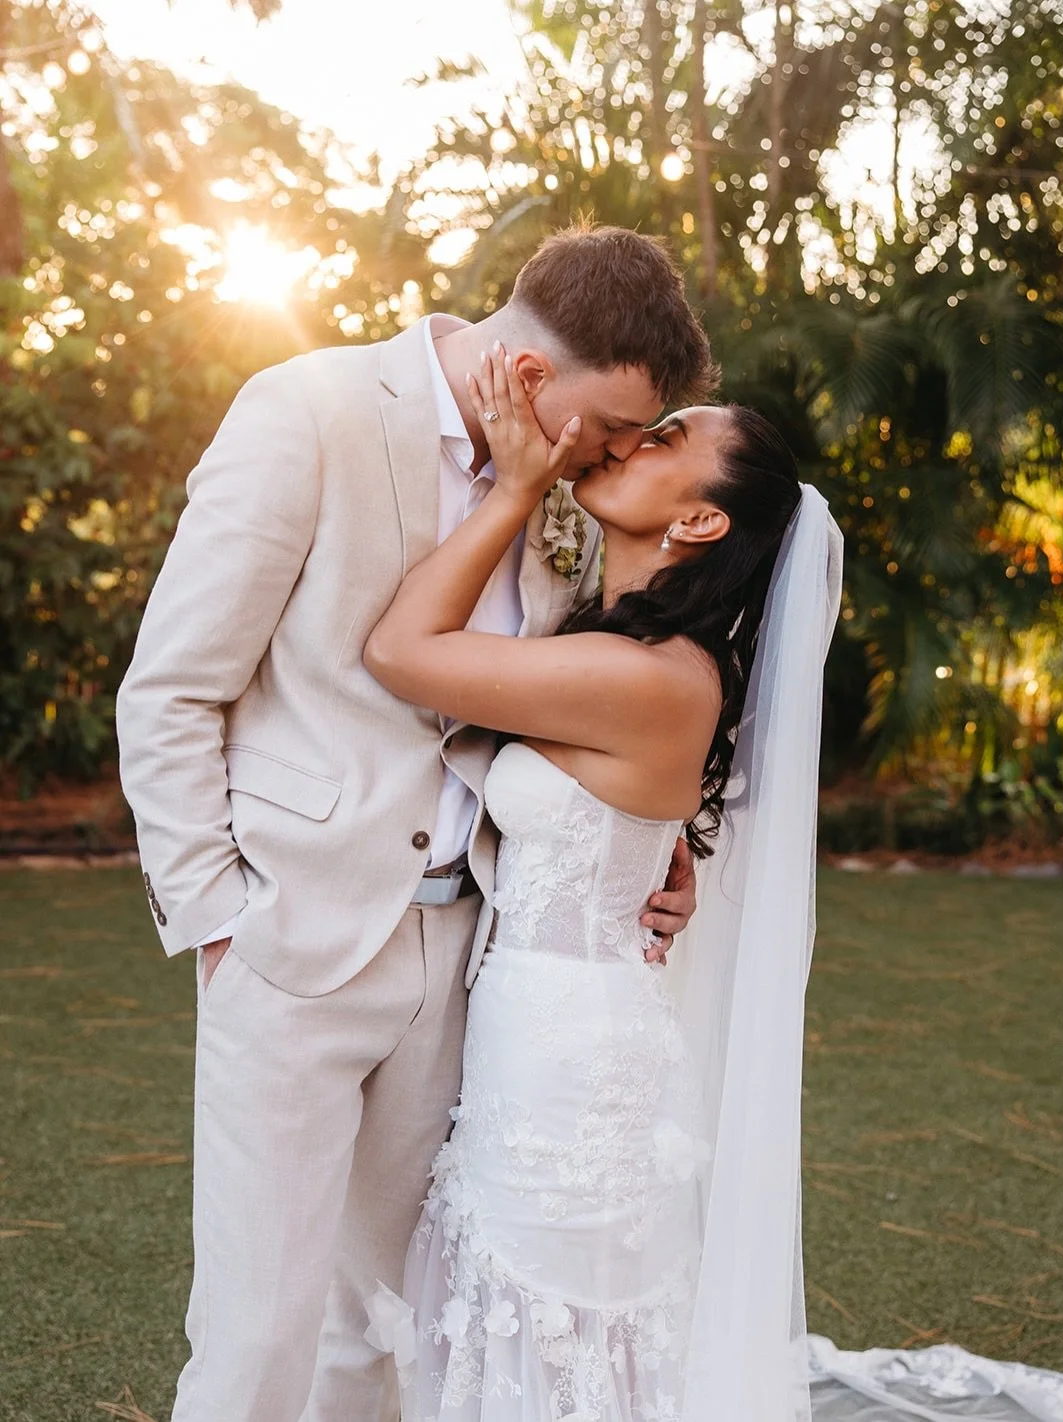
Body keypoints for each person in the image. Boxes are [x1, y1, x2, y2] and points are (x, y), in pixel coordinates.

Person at [114, 225, 711, 1422]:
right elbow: (172, 689)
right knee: (257, 1332)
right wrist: (219, 920)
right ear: (531, 376)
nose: (613, 457)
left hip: (467, 960)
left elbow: (566, 703)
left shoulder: (559, 492)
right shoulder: (308, 412)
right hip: (290, 938)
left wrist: (661, 842)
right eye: (608, 427)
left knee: (391, 1320)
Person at [360, 345, 820, 1419]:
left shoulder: (641, 676)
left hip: (569, 1063)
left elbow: (400, 651)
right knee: (522, 1325)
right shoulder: (615, 641)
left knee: (556, 1334)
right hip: (537, 1025)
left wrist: (515, 488)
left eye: (666, 438)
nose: (627, 442)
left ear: (698, 521)